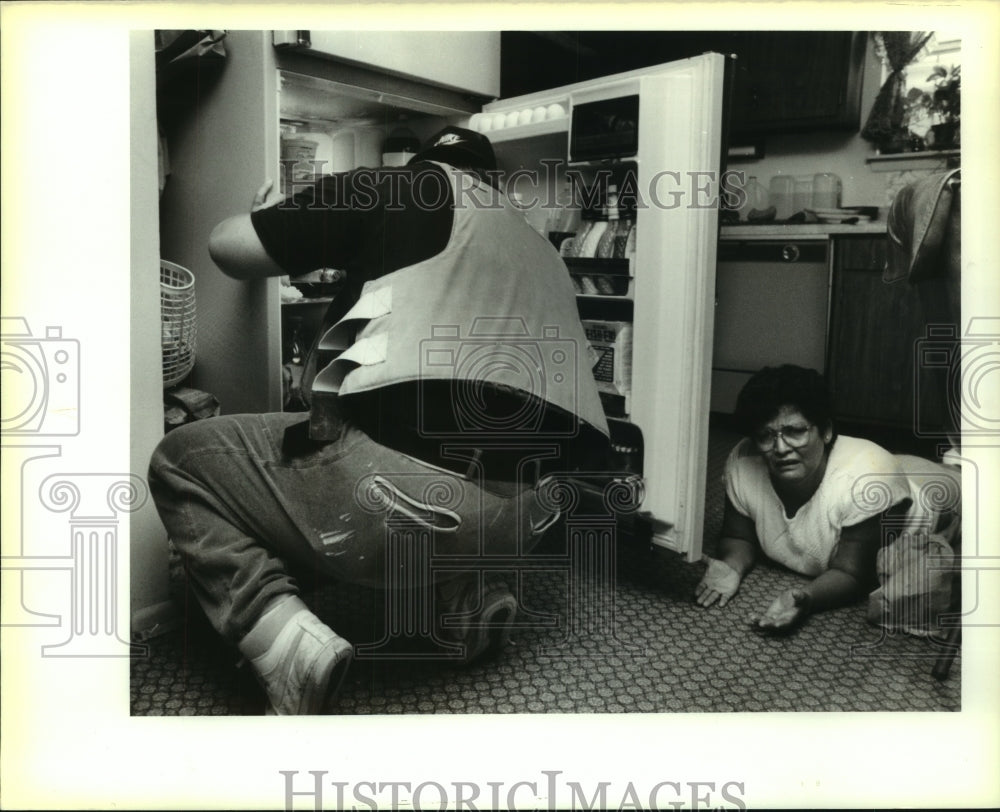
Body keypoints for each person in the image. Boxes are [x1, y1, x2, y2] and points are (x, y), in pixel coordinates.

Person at [148, 126, 610, 715]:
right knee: (458, 441)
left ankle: (283, 642)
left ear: (417, 167)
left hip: (403, 506)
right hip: (529, 516)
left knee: (181, 459)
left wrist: (272, 218)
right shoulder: (538, 245)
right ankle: (469, 600)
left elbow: (228, 249)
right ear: (489, 181)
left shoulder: (393, 188)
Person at [695, 364, 958, 635]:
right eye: (766, 436)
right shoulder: (743, 462)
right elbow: (738, 537)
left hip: (935, 498)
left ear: (826, 430)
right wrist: (732, 567)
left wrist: (804, 598)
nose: (781, 448)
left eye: (795, 431)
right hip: (874, 467)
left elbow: (852, 574)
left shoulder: (868, 481)